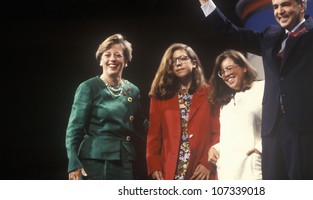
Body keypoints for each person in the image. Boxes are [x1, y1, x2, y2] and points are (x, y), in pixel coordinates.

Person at [191, 0, 313, 179]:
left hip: (306, 125)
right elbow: (231, 33)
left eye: (285, 4)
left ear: (301, 6)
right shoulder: (270, 36)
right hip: (273, 128)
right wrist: (205, 0)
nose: (279, 11)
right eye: (275, 6)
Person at [65, 33, 148, 180]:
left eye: (118, 55)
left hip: (125, 161)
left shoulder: (133, 91)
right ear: (100, 60)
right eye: (107, 55)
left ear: (126, 61)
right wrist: (73, 163)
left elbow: (142, 125)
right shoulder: (88, 87)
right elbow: (74, 128)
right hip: (94, 161)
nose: (112, 59)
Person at [146, 43, 220, 180]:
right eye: (173, 61)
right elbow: (153, 136)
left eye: (182, 58)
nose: (178, 63)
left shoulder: (211, 93)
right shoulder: (160, 97)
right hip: (171, 168)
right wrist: (154, 165)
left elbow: (218, 132)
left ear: (194, 63)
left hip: (200, 170)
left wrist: (207, 163)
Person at [207, 49, 264, 180]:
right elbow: (231, 136)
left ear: (244, 67)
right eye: (222, 72)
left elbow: (279, 124)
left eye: (229, 68)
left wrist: (261, 149)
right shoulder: (225, 103)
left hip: (252, 170)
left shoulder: (262, 89)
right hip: (228, 172)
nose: (226, 74)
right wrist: (216, 148)